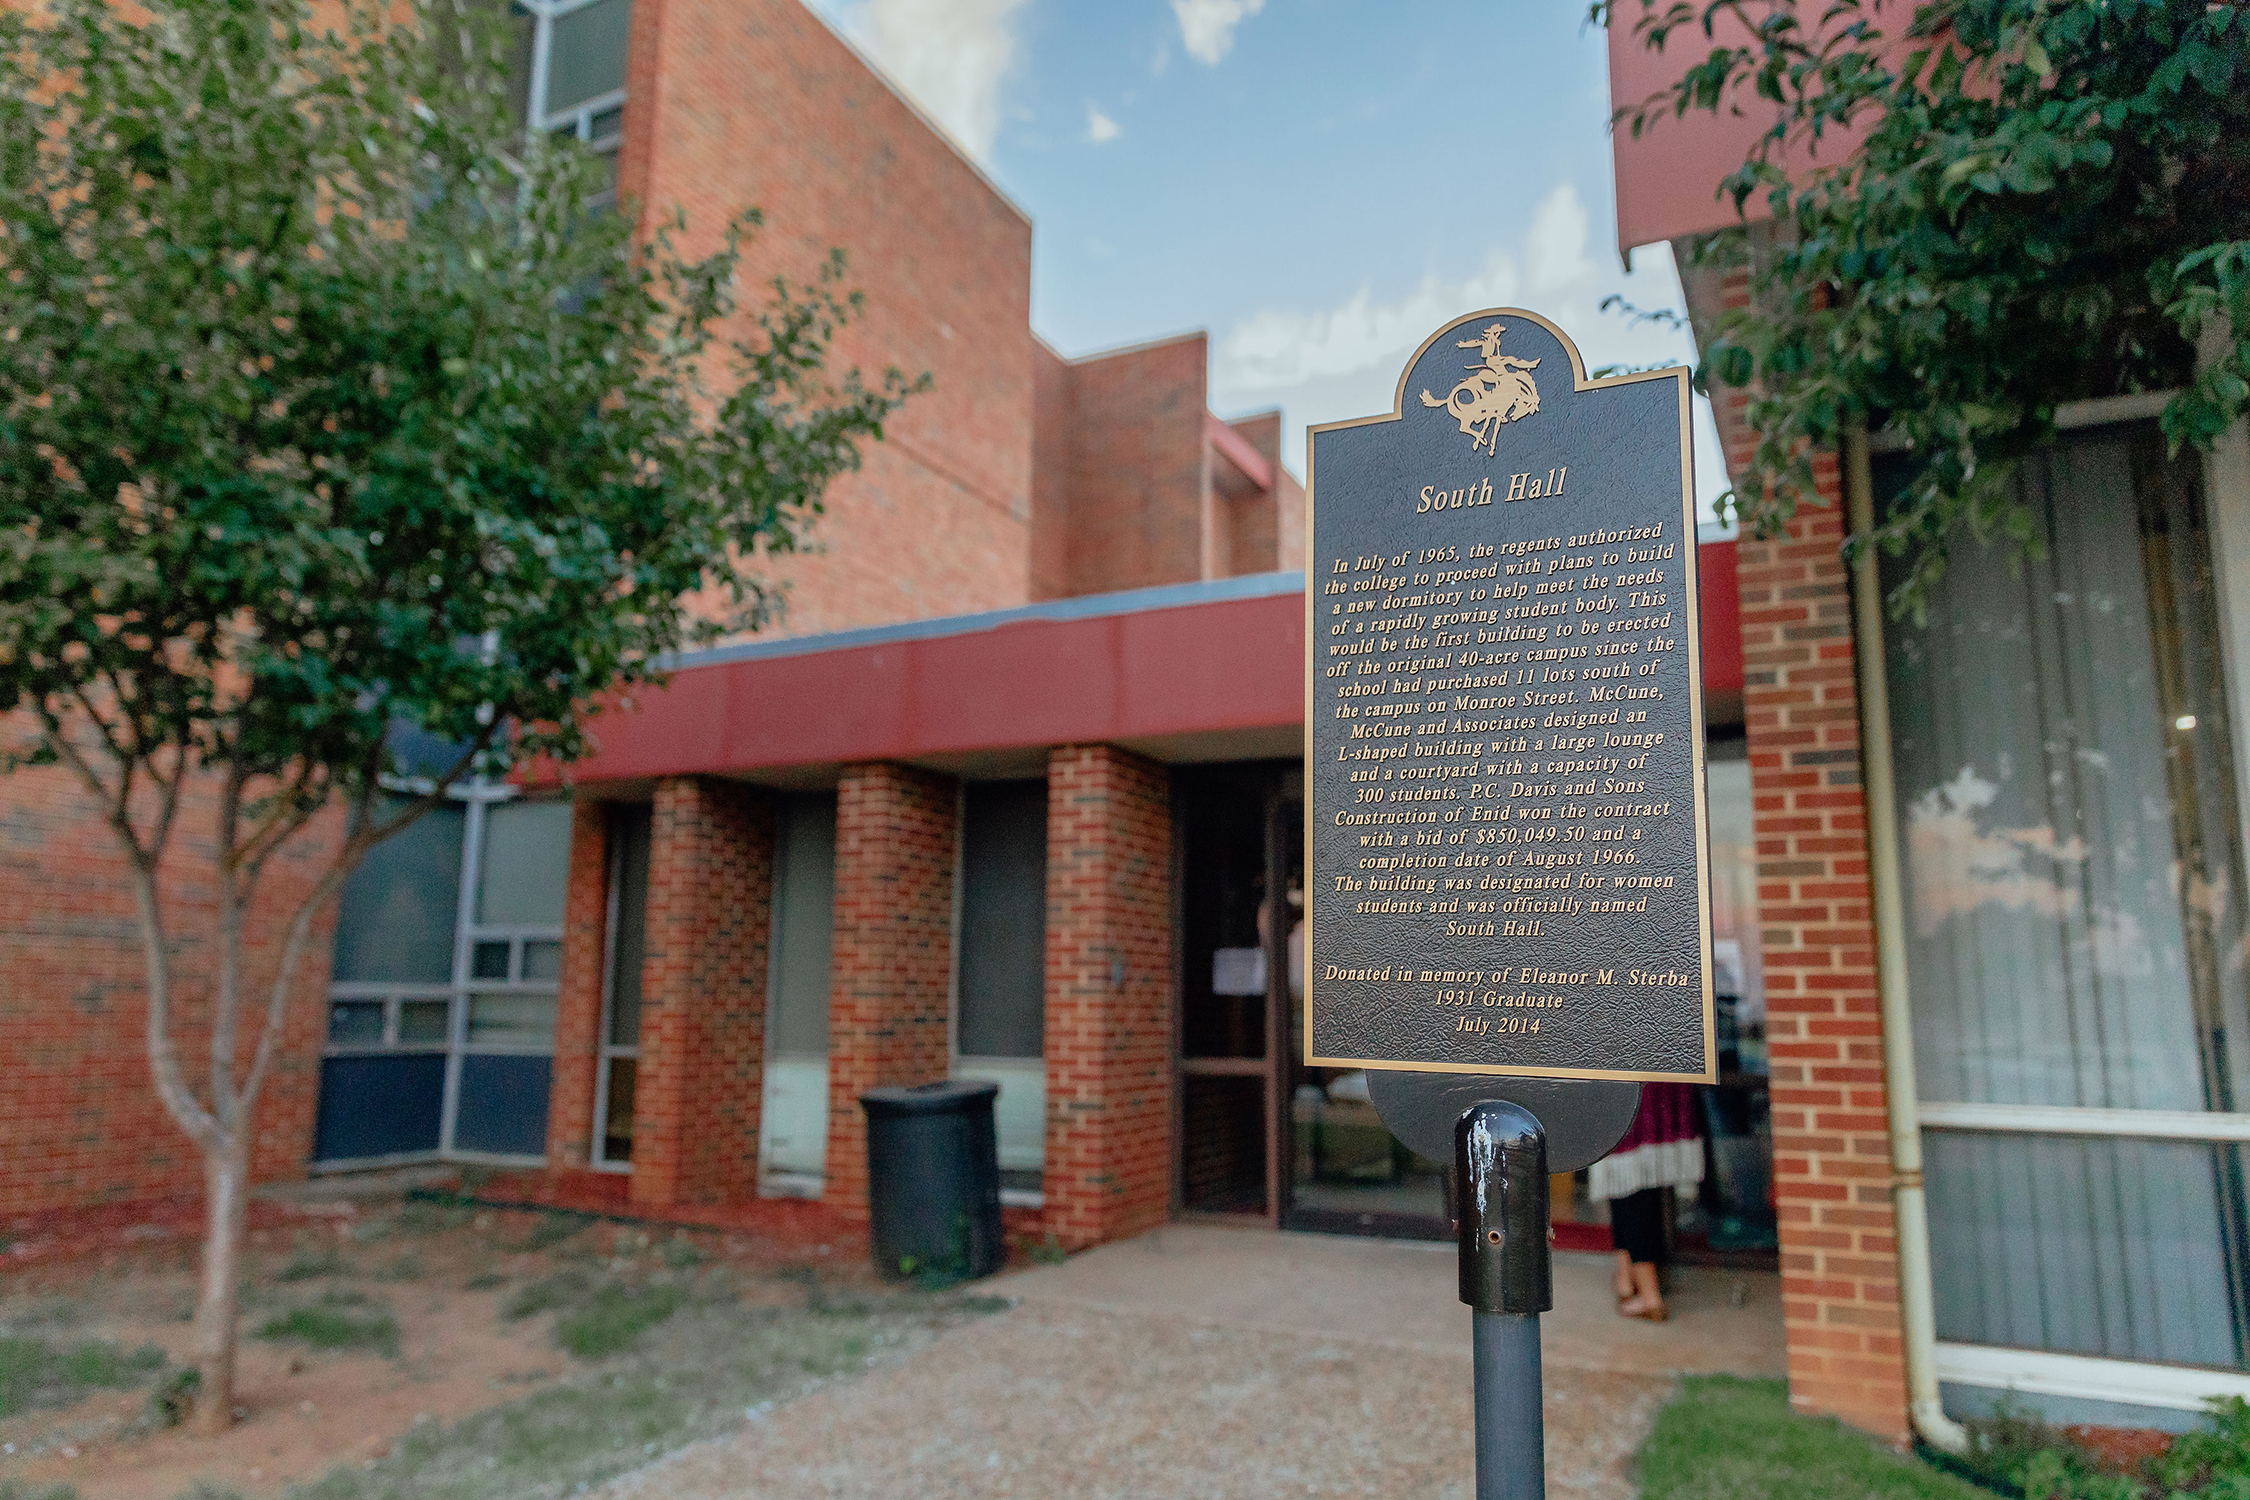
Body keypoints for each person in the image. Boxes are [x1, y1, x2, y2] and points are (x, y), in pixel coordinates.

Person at [1589, 1082, 1705, 1321]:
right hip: (1653, 1085)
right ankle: (1627, 1278)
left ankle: (1649, 1294)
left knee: (1626, 1183)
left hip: (1626, 1086)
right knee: (1635, 1182)